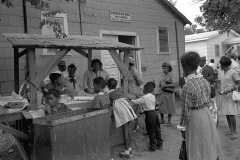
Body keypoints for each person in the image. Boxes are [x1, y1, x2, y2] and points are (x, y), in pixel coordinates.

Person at [177, 51, 223, 160]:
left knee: (195, 144)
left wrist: (182, 128)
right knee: (207, 141)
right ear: (197, 65)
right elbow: (208, 100)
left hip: (194, 117)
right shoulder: (205, 81)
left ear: (184, 67)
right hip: (206, 115)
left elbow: (185, 110)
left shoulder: (187, 86)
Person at [108, 78, 137, 158]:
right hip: (127, 108)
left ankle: (127, 151)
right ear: (116, 85)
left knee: (125, 130)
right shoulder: (119, 91)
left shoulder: (108, 93)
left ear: (108, 86)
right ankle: (129, 148)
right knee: (128, 129)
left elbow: (110, 103)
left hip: (122, 111)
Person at [131, 83, 163, 152]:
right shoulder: (153, 96)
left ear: (146, 89)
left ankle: (153, 146)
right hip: (155, 113)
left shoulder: (144, 97)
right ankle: (160, 144)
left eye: (143, 89)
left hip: (149, 114)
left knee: (150, 130)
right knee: (157, 128)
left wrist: (130, 100)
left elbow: (136, 101)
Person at [218, 56, 240, 140]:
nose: (220, 65)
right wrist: (219, 88)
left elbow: (238, 84)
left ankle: (234, 132)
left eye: (221, 64)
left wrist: (230, 90)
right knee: (227, 113)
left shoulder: (233, 72)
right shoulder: (221, 72)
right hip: (224, 95)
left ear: (225, 64)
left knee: (231, 114)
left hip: (231, 95)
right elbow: (220, 81)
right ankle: (230, 130)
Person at [128, 57, 144, 132]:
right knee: (131, 110)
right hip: (130, 92)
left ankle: (135, 126)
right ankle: (133, 126)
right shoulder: (128, 70)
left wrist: (134, 85)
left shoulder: (134, 70)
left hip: (136, 92)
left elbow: (140, 81)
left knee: (135, 110)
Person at [157, 62, 175, 127]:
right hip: (162, 93)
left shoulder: (172, 75)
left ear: (168, 68)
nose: (163, 69)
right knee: (161, 106)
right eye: (162, 68)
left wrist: (165, 85)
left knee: (169, 106)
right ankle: (162, 120)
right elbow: (160, 83)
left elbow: (174, 84)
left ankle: (169, 121)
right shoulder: (162, 75)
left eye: (164, 68)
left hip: (169, 93)